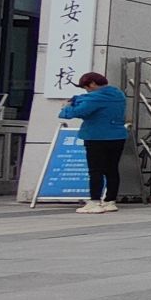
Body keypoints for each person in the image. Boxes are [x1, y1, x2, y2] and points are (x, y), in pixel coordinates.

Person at [59, 71, 128, 214]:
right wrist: (78, 99)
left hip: (97, 137)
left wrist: (67, 106)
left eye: (86, 88)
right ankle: (110, 201)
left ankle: (95, 202)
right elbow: (86, 98)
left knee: (95, 170)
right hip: (118, 136)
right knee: (112, 169)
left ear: (92, 84)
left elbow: (77, 112)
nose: (87, 91)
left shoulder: (94, 98)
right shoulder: (118, 94)